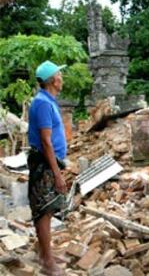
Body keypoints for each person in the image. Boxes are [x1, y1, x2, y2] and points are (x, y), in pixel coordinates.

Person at [28, 60, 67, 275]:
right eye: (60, 75)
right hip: (44, 164)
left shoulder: (47, 101)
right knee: (44, 210)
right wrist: (56, 173)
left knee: (48, 208)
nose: (62, 78)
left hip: (47, 163)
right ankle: (47, 263)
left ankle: (45, 254)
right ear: (53, 80)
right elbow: (46, 141)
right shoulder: (42, 103)